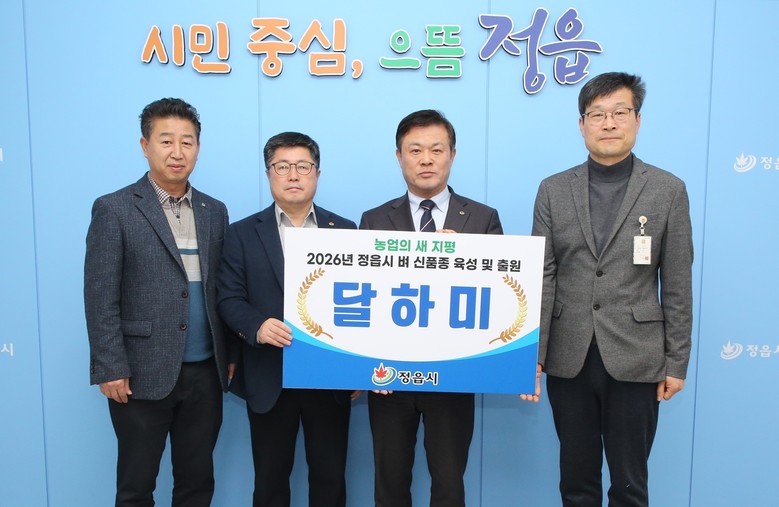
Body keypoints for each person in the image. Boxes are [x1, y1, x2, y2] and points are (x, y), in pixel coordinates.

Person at [531, 72, 693, 506]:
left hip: (638, 357)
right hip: (569, 357)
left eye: (620, 112)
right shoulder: (553, 190)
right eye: (597, 114)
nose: (608, 123)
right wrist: (535, 355)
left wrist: (676, 362)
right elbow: (543, 276)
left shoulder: (668, 190)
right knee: (576, 482)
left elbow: (677, 282)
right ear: (581, 124)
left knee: (629, 484)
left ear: (637, 120)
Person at [84, 97, 231, 506]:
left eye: (187, 142)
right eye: (166, 141)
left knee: (197, 482)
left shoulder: (214, 211)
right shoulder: (114, 209)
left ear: (198, 147)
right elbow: (100, 295)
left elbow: (221, 290)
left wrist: (230, 354)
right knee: (136, 487)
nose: (177, 152)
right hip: (140, 374)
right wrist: (111, 367)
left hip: (205, 373)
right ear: (145, 146)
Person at [360, 109, 503, 507]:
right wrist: (365, 363)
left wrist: (466, 257)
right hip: (389, 379)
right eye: (415, 150)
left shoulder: (482, 219)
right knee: (389, 482)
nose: (426, 159)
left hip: (453, 375)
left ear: (452, 155)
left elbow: (499, 297)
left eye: (436, 150)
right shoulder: (374, 219)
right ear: (399, 157)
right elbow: (364, 298)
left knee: (449, 484)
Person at [216, 132, 356, 507]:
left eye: (303, 166)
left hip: (328, 378)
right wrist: (257, 326)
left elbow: (363, 302)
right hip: (268, 376)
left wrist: (357, 368)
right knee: (270, 482)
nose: (293, 175)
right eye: (282, 166)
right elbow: (229, 298)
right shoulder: (241, 233)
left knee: (330, 480)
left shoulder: (346, 231)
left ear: (317, 173)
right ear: (268, 173)